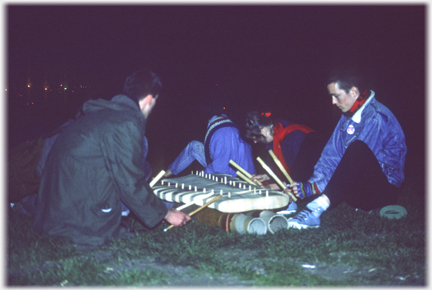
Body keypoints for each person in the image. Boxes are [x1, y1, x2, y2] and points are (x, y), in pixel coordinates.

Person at [33, 69, 191, 246]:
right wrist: (166, 213)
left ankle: (121, 215)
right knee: (139, 161)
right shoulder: (125, 124)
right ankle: (112, 220)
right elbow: (130, 181)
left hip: (54, 215)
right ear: (149, 99)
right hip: (76, 223)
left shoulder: (99, 116)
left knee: (144, 166)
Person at [286, 67, 407, 229]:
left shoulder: (376, 117)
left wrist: (316, 188)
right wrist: (311, 183)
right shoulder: (348, 113)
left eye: (336, 96)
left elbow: (354, 162)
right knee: (313, 139)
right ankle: (291, 195)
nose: (333, 102)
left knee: (357, 148)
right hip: (354, 186)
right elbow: (333, 154)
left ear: (354, 92)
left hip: (380, 193)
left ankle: (315, 210)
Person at [244, 111, 327, 213]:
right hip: (300, 177)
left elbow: (303, 173)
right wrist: (266, 176)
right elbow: (285, 169)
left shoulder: (293, 137)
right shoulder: (274, 140)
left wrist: (273, 186)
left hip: (319, 181)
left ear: (264, 131)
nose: (255, 142)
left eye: (256, 137)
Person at [163, 91, 256, 178]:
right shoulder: (223, 123)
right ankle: (164, 175)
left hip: (240, 179)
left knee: (195, 181)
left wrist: (199, 176)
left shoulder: (222, 133)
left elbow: (221, 169)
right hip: (228, 166)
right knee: (193, 147)